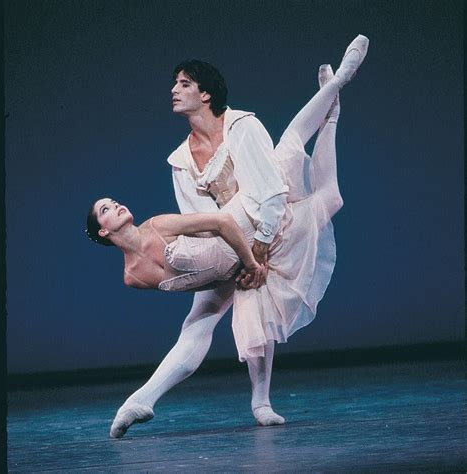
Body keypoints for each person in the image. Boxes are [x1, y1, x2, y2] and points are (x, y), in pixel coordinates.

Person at [86, 34, 369, 438]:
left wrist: (259, 247)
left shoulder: (242, 125)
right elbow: (200, 220)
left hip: (268, 212)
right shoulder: (180, 160)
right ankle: (140, 400)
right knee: (202, 318)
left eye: (184, 83)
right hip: (228, 235)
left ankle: (337, 86)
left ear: (205, 94)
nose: (175, 89)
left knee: (294, 153)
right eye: (175, 83)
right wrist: (235, 260)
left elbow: (270, 190)